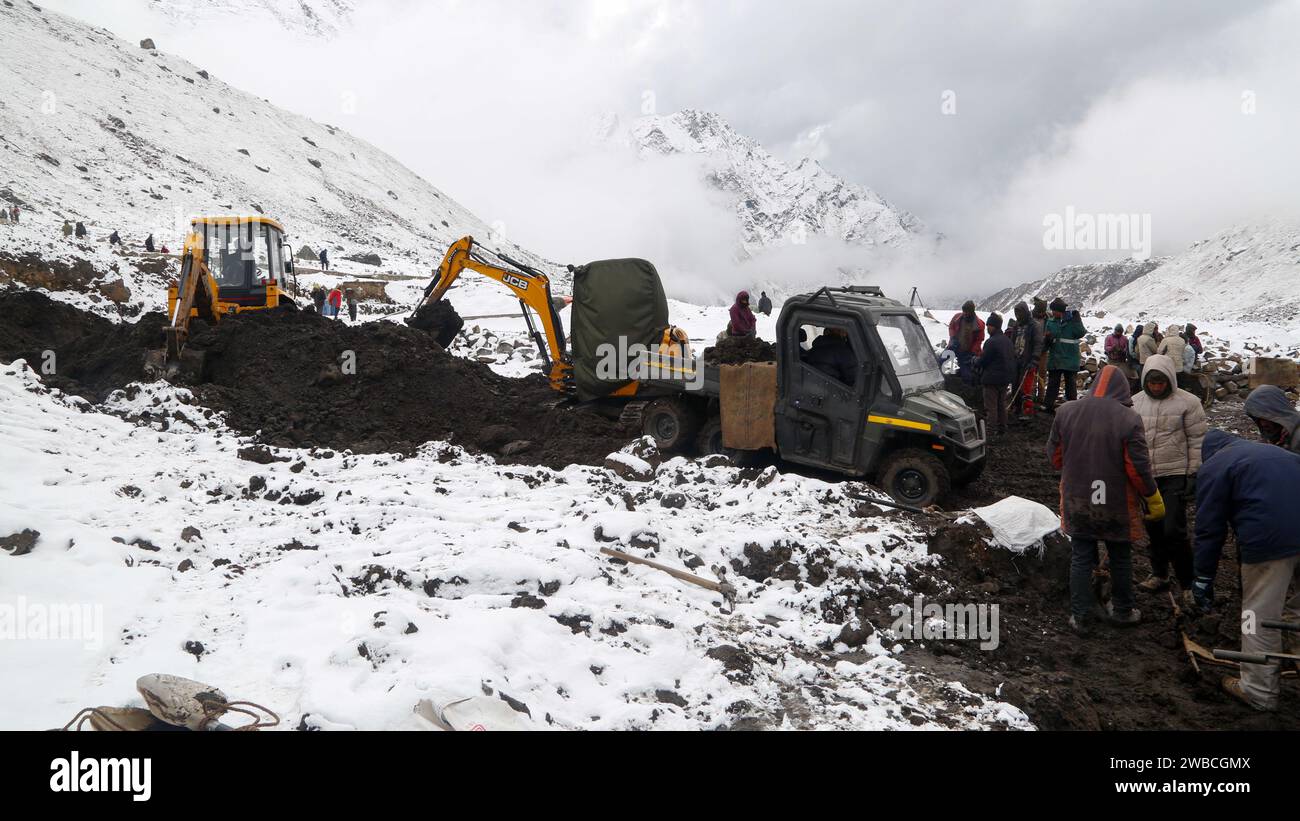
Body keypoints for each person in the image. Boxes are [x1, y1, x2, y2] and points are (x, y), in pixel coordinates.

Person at [1048, 365, 1164, 633]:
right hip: (1115, 503)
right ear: (1124, 389)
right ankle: (1123, 610)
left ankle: (1081, 615)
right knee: (1120, 556)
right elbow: (1137, 467)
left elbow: (1055, 458)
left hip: (1078, 500)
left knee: (1081, 556)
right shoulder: (1129, 419)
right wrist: (1151, 494)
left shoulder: (1066, 412)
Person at [1192, 430, 1300, 711]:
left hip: (1270, 541)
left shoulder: (1215, 465)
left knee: (1258, 614)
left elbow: (1209, 530)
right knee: (1297, 609)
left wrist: (1203, 577)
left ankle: (1258, 690)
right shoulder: (1281, 454)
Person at [1131, 354, 1207, 601]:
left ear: (1169, 381)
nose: (1156, 388)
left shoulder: (1188, 402)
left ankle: (1188, 582)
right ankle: (1160, 574)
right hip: (1147, 476)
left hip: (1174, 473)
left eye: (1160, 383)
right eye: (1152, 383)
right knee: (1153, 528)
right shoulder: (1134, 403)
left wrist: (1193, 473)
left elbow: (1197, 440)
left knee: (1174, 529)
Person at [977, 312, 1016, 436]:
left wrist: (975, 361)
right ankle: (1002, 429)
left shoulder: (991, 342)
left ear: (994, 326)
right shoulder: (1007, 341)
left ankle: (990, 431)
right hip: (1004, 379)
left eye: (989, 325)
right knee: (1001, 405)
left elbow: (983, 361)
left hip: (991, 379)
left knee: (991, 407)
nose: (987, 328)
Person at [1043, 298, 1086, 411]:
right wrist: (1047, 339)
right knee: (1053, 383)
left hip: (1070, 358)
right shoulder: (1051, 322)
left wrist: (1078, 320)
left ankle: (1072, 408)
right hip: (1056, 358)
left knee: (1070, 385)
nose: (1052, 313)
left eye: (1054, 310)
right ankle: (1048, 405)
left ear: (1060, 311)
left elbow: (1081, 332)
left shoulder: (1072, 321)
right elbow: (1047, 340)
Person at [1243, 385, 1300, 455]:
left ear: (1278, 411)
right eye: (1258, 419)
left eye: (1265, 417)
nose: (1262, 424)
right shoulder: (1277, 433)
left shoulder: (1297, 436)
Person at [1009, 302, 1041, 418]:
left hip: (1028, 360)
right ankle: (1017, 407)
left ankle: (1027, 410)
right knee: (1015, 384)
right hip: (1016, 359)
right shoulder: (1017, 325)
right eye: (1016, 313)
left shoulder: (1034, 326)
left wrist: (1034, 360)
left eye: (1019, 313)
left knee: (1027, 387)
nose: (1017, 315)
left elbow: (1038, 344)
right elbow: (1012, 341)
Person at [947, 301, 985, 383]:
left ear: (972, 311)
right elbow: (951, 327)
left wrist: (972, 352)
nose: (965, 313)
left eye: (967, 311)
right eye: (964, 311)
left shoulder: (979, 324)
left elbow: (979, 340)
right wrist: (953, 337)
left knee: (966, 374)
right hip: (954, 346)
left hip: (967, 352)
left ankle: (966, 390)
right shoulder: (957, 317)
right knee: (940, 361)